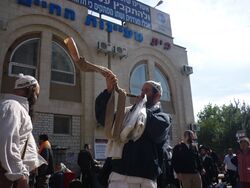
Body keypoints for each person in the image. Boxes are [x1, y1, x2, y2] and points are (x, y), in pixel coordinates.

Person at [95, 70, 171, 188]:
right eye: (141, 90)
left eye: (146, 91)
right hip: (118, 176)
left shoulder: (163, 118)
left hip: (144, 179)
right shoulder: (127, 113)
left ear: (157, 96)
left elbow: (155, 131)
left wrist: (140, 106)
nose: (141, 93)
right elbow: (104, 119)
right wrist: (109, 91)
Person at [0, 73, 45, 188]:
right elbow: (6, 141)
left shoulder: (16, 108)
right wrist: (20, 175)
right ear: (31, 90)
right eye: (37, 94)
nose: (37, 97)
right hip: (9, 177)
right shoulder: (13, 106)